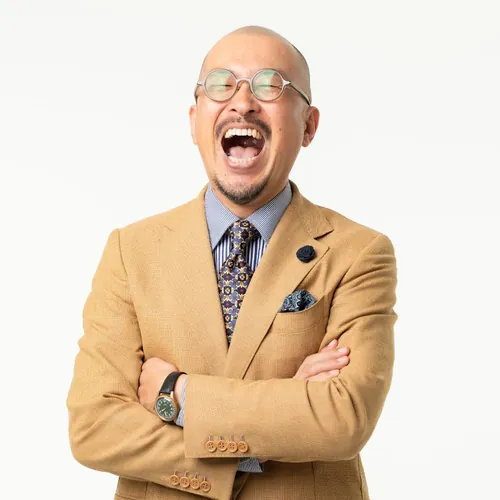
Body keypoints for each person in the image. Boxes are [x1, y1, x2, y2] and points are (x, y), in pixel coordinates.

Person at [66, 25, 398, 500]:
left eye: (269, 85)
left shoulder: (359, 253)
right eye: (221, 84)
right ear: (194, 120)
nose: (242, 102)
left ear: (308, 125)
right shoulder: (131, 250)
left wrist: (176, 393)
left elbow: (343, 418)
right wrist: (262, 440)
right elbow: (94, 427)